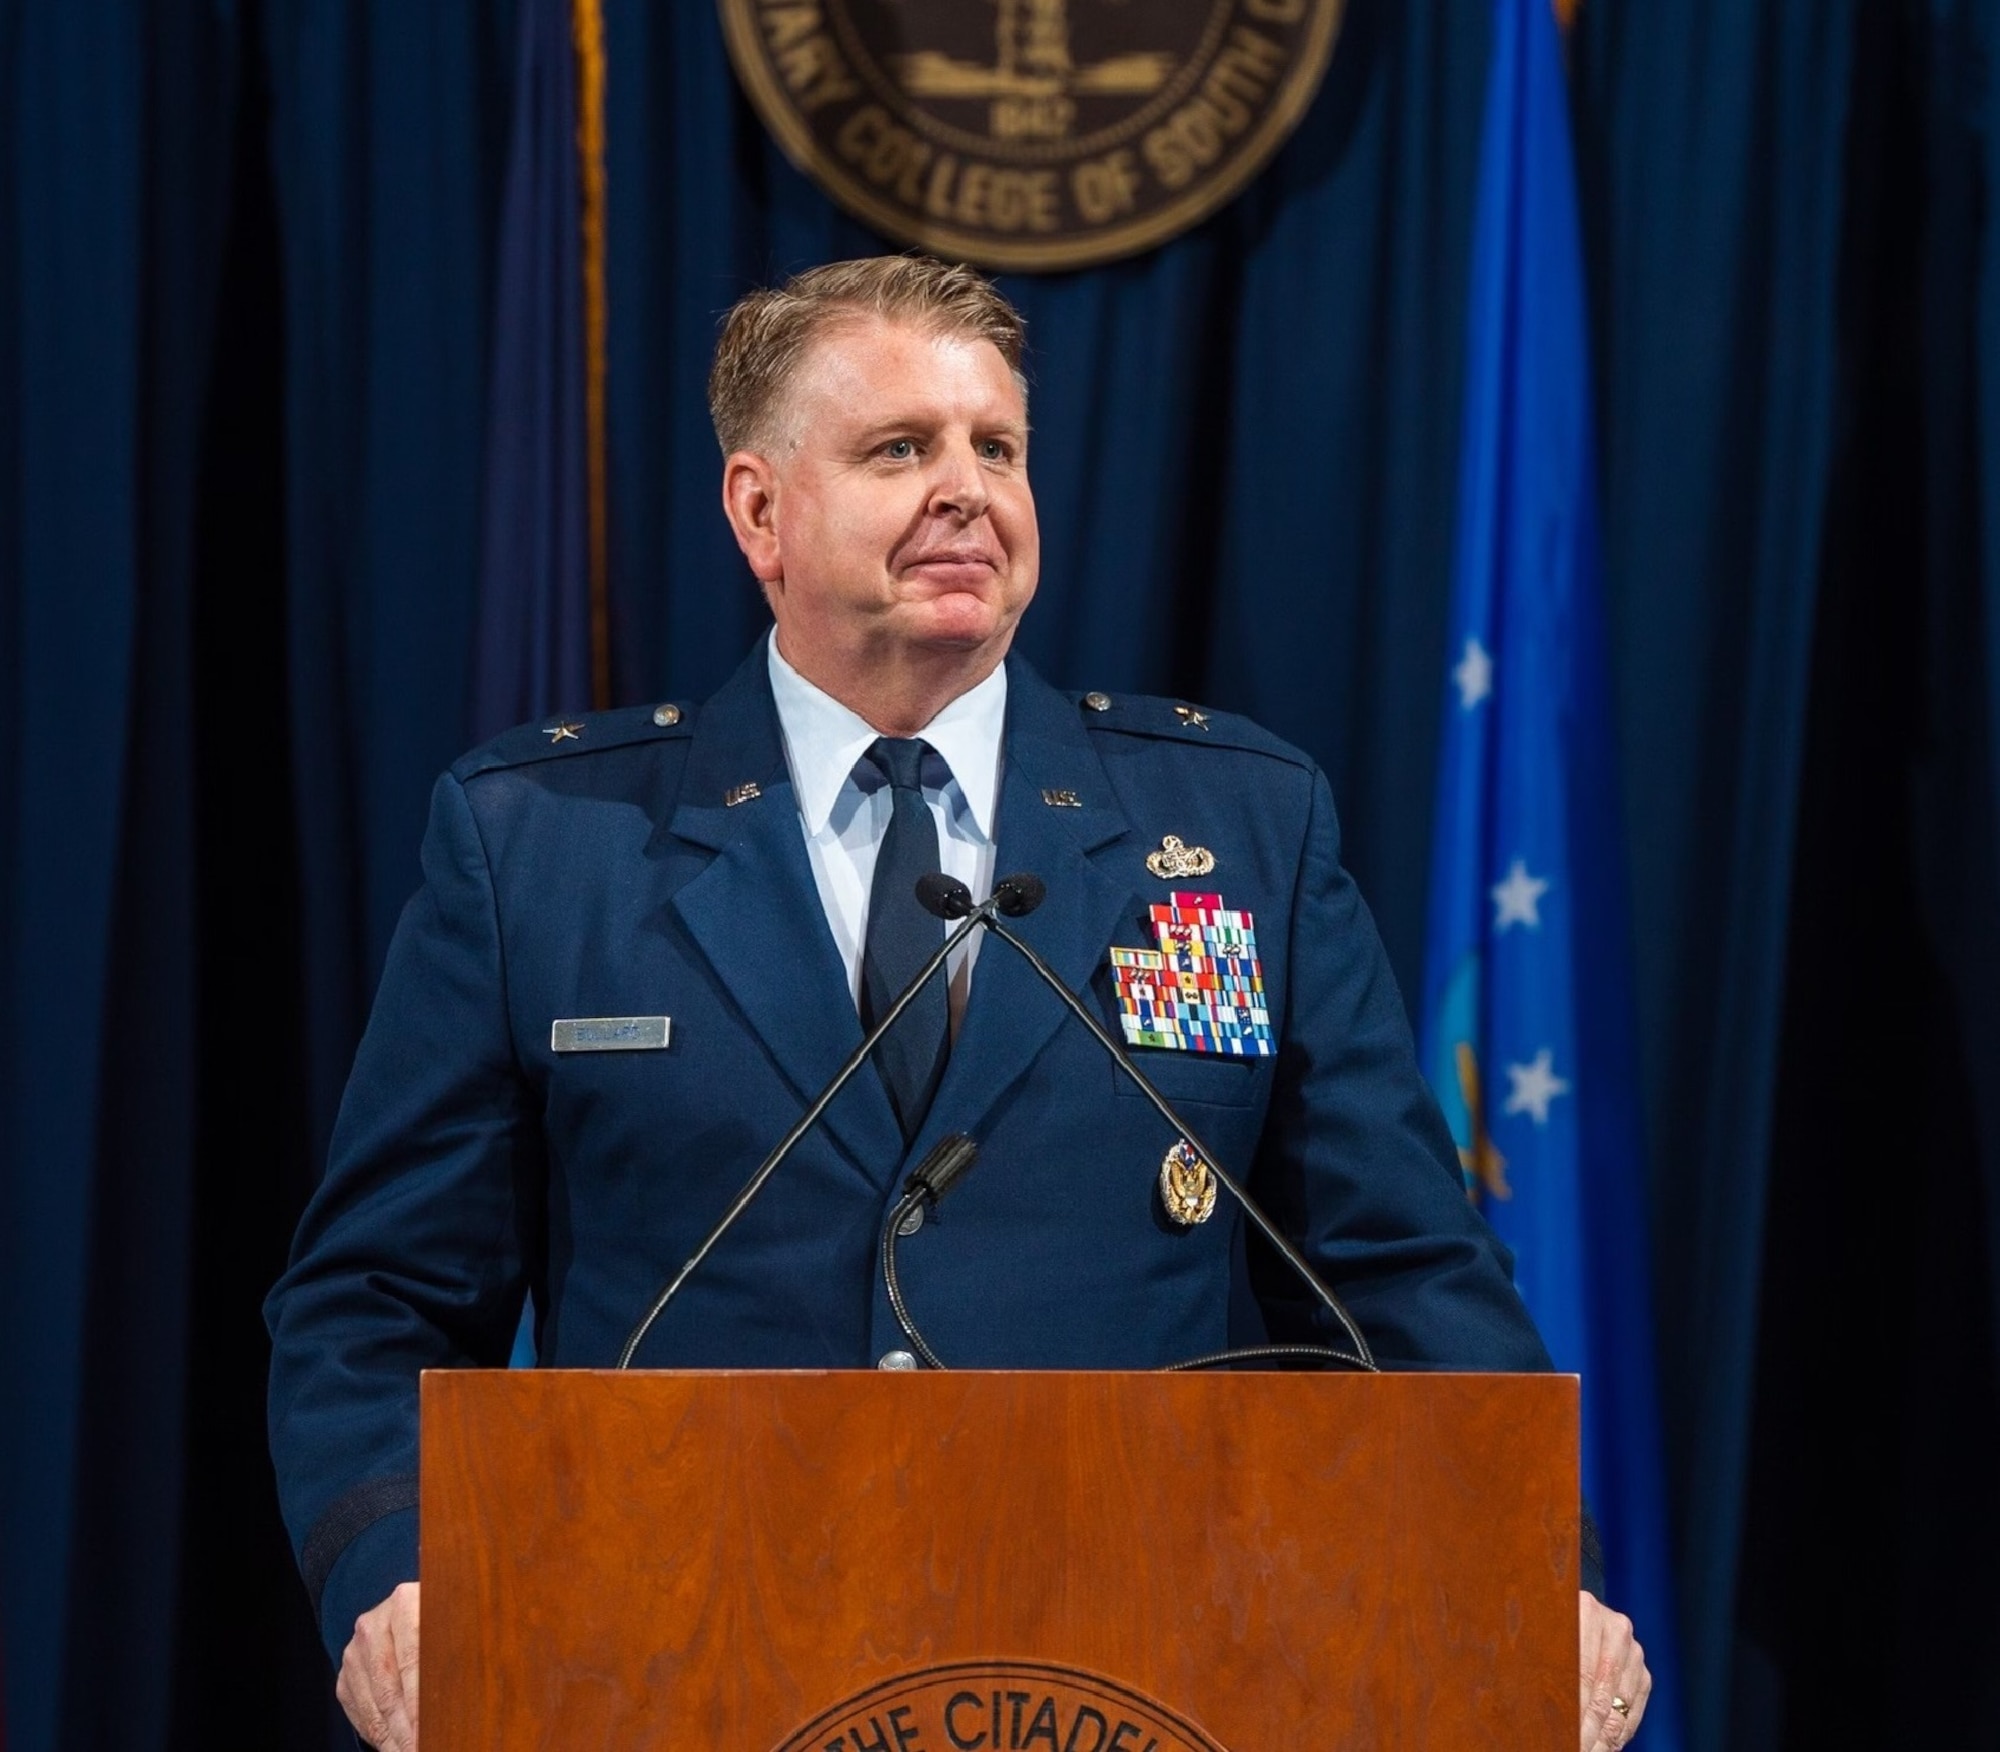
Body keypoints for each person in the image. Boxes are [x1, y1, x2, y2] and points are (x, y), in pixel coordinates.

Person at [266, 255, 1652, 1750]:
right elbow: (376, 1301)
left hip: (1144, 1666)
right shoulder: (543, 843)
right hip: (676, 1654)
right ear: (759, 510)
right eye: (899, 448)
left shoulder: (1240, 824)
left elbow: (1408, 1280)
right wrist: (395, 1578)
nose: (966, 489)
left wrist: (1532, 1574)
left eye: (998, 447)